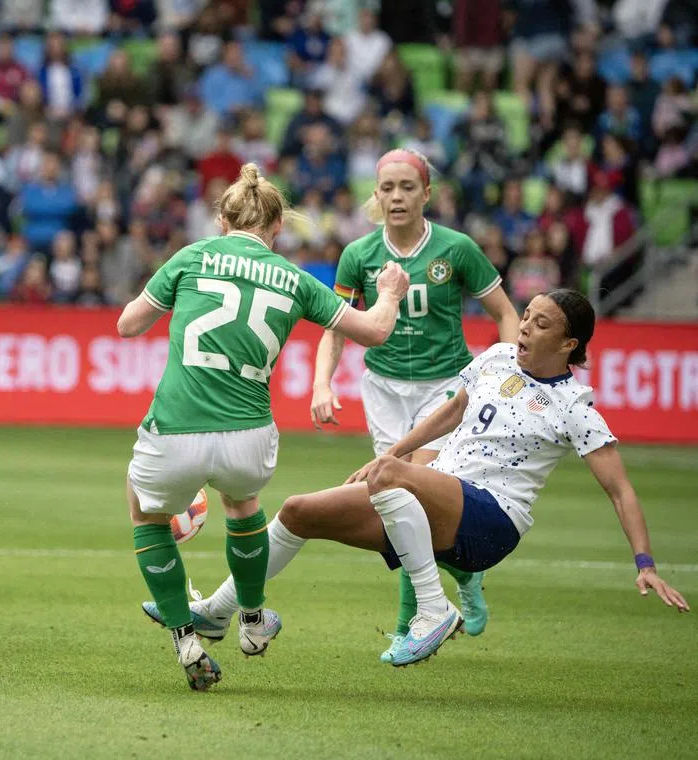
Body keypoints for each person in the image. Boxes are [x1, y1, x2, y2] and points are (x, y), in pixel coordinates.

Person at [170, 289, 691, 667]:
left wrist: (644, 563)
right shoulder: (498, 356)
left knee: (395, 477)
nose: (526, 328)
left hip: (492, 519)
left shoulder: (574, 406)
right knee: (298, 511)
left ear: (569, 342)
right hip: (434, 497)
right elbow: (452, 411)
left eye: (541, 324)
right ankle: (217, 613)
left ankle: (433, 608)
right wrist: (393, 453)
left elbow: (620, 488)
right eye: (526, 317)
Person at [163, 149, 520, 664]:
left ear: (426, 194)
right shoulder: (359, 255)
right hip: (384, 389)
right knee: (397, 504)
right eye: (387, 188)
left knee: (405, 492)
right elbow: (336, 326)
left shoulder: (457, 250)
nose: (396, 196)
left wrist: (500, 369)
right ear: (375, 195)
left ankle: (411, 624)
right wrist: (321, 384)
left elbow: (506, 313)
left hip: (444, 387)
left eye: (406, 187)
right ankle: (460, 576)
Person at [117, 163, 411, 691]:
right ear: (277, 228)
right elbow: (375, 330)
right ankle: (252, 623)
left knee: (145, 510)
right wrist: (388, 290)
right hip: (249, 436)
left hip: (176, 427)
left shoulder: (192, 256)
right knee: (243, 504)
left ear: (222, 221)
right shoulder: (296, 278)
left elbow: (128, 324)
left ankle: (185, 638)